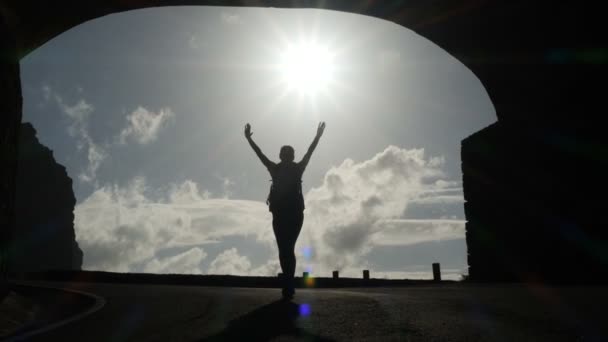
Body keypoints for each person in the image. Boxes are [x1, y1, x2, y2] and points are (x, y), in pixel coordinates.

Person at [244, 122, 326, 300]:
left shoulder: (294, 168)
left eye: (289, 153)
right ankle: (288, 283)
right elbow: (260, 154)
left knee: (286, 248)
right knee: (285, 249)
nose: (287, 155)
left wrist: (318, 137)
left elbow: (309, 152)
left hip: (292, 213)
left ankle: (288, 284)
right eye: (285, 153)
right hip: (284, 213)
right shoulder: (281, 168)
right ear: (282, 155)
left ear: (289, 156)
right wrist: (249, 139)